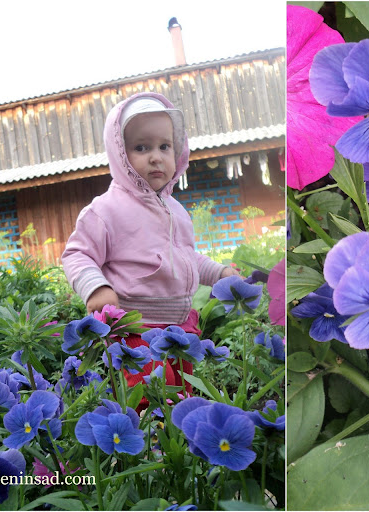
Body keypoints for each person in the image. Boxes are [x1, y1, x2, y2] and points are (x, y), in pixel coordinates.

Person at [62, 92, 238, 395]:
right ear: (119, 152)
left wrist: (220, 273)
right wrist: (97, 288)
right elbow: (78, 254)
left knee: (182, 393)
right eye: (141, 147)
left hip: (179, 327)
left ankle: (176, 440)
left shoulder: (177, 211)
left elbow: (187, 257)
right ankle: (150, 441)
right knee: (151, 398)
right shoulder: (106, 209)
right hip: (134, 330)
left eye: (164, 146)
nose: (156, 156)